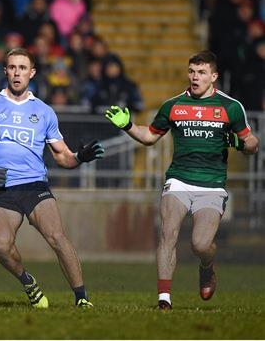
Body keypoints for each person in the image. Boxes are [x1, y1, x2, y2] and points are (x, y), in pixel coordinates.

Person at [104, 50, 259, 310]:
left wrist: (241, 144)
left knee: (201, 244)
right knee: (167, 234)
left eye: (201, 73)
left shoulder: (230, 106)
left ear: (214, 76)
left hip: (211, 185)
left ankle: (207, 266)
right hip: (178, 180)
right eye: (191, 72)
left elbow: (252, 143)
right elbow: (150, 137)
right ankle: (164, 299)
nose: (195, 77)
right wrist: (128, 125)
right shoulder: (173, 105)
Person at [0, 48, 104, 309]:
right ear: (5, 71)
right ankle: (28, 281)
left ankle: (82, 298)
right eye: (12, 67)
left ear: (32, 72)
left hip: (34, 185)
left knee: (57, 237)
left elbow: (62, 157)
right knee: (1, 246)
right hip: (0, 187)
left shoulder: (45, 112)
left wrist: (80, 157)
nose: (17, 72)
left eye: (22, 68)